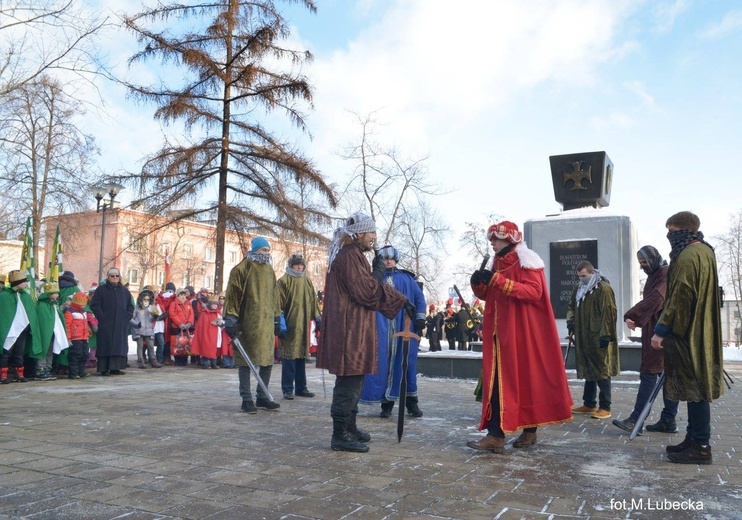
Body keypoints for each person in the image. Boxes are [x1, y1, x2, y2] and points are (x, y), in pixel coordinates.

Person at [466, 221, 573, 453]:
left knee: (526, 379)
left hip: (522, 332)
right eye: (491, 239)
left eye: (496, 238)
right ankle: (496, 435)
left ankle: (525, 431)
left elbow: (534, 292)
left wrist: (497, 281)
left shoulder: (527, 259)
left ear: (509, 239)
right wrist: (479, 285)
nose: (492, 243)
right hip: (499, 333)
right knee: (497, 383)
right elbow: (493, 295)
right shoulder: (498, 262)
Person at [316, 212, 411, 453]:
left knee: (355, 378)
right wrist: (379, 275)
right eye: (371, 233)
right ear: (359, 233)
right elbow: (366, 292)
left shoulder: (353, 254)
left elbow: (363, 287)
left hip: (353, 325)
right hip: (349, 329)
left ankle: (350, 426)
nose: (373, 238)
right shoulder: (349, 256)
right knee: (348, 380)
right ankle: (340, 433)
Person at [651, 211, 723, 464]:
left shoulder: (686, 255)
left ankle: (701, 445)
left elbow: (681, 296)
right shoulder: (705, 250)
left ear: (680, 230)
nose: (668, 235)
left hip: (687, 333)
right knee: (696, 387)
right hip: (701, 330)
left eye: (670, 230)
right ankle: (694, 439)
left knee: (695, 387)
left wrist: (662, 330)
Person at [613, 246, 678, 434]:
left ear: (654, 259)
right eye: (640, 263)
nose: (643, 266)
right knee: (667, 376)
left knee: (650, 374)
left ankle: (636, 420)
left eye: (645, 262)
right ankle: (668, 420)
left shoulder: (664, 275)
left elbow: (656, 299)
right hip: (658, 331)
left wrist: (632, 315)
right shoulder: (657, 274)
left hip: (660, 335)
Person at [360, 245, 426, 418]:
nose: (388, 261)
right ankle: (386, 405)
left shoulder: (407, 279)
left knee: (406, 365)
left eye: (391, 258)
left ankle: (412, 403)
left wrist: (420, 318)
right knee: (382, 364)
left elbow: (419, 298)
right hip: (380, 329)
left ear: (396, 260)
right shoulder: (375, 279)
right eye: (385, 258)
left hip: (405, 327)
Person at [223, 237, 281, 414]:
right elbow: (233, 294)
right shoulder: (241, 269)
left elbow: (275, 295)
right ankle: (246, 399)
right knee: (245, 362)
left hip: (266, 323)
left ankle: (262, 396)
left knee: (267, 360)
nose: (266, 253)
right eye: (263, 250)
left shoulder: (270, 270)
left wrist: (277, 317)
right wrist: (231, 317)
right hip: (247, 322)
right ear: (255, 250)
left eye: (268, 250)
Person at [567, 260, 619, 419]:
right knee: (588, 368)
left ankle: (605, 406)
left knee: (602, 370)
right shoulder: (580, 288)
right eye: (579, 276)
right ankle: (589, 403)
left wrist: (606, 335)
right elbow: (572, 306)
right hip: (584, 335)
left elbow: (609, 313)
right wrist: (571, 321)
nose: (581, 278)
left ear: (591, 273)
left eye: (584, 276)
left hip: (599, 335)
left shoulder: (603, 288)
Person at [276, 253, 321, 400]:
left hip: (303, 327)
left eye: (301, 264)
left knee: (301, 357)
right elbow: (278, 304)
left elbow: (314, 302)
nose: (299, 267)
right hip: (289, 326)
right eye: (296, 264)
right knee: (289, 358)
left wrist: (319, 319)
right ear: (291, 265)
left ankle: (301, 388)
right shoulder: (284, 281)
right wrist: (280, 323)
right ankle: (287, 389)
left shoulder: (307, 281)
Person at [89, 268, 135, 376]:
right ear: (108, 277)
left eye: (116, 276)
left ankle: (116, 368)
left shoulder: (124, 290)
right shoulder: (101, 289)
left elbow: (130, 306)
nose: (114, 278)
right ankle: (104, 369)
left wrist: (126, 317)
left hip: (120, 323)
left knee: (119, 346)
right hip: (106, 323)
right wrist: (101, 316)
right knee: (106, 345)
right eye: (112, 276)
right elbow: (94, 304)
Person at [0, 270, 41, 384]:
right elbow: (3, 314)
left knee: (19, 352)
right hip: (9, 329)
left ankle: (18, 374)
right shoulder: (4, 296)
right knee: (6, 351)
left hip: (22, 329)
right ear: (17, 282)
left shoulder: (26, 296)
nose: (26, 284)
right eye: (24, 282)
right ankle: (2, 375)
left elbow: (31, 313)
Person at [32, 281, 69, 381]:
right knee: (43, 350)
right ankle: (40, 369)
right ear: (49, 293)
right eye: (55, 293)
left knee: (50, 351)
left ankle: (48, 368)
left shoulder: (55, 305)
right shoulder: (42, 305)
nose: (57, 295)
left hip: (53, 333)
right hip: (45, 332)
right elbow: (42, 319)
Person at [65, 292, 98, 379]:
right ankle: (73, 373)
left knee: (84, 355)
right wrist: (68, 338)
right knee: (76, 355)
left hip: (84, 337)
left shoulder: (84, 312)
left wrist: (87, 333)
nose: (83, 306)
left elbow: (85, 324)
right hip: (75, 338)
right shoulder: (70, 312)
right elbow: (67, 326)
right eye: (81, 304)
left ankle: (81, 371)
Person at [130, 288, 162, 369]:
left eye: (148, 299)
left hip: (149, 330)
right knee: (140, 346)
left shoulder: (151, 308)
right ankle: (140, 360)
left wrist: (155, 316)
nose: (146, 301)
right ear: (141, 299)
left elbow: (154, 319)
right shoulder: (136, 308)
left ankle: (153, 360)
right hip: (139, 330)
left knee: (151, 346)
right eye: (144, 299)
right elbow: (130, 318)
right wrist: (137, 324)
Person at [191, 293, 223, 369]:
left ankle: (213, 363)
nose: (215, 306)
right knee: (206, 348)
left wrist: (220, 323)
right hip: (206, 334)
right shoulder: (204, 313)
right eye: (213, 304)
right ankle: (205, 363)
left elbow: (222, 323)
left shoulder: (218, 313)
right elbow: (201, 325)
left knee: (214, 349)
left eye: (216, 305)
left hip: (215, 334)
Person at [169, 288, 195, 366]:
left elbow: (191, 314)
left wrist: (189, 323)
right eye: (181, 295)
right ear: (178, 296)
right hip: (177, 327)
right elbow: (172, 314)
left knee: (186, 344)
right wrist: (179, 324)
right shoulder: (174, 304)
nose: (183, 296)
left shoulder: (188, 304)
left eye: (184, 295)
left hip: (186, 327)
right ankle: (178, 360)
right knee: (178, 344)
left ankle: (185, 359)